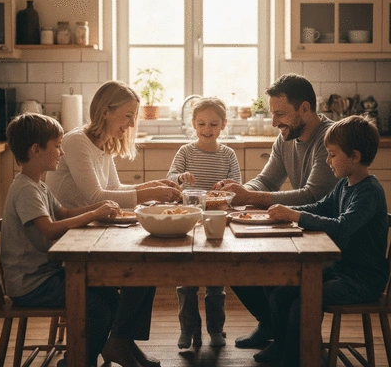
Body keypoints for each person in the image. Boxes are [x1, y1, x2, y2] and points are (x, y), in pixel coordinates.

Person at [46, 80, 183, 367]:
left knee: (148, 263)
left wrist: (153, 184)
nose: (132, 123)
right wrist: (151, 193)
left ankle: (120, 341)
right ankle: (117, 342)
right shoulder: (75, 141)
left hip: (90, 228)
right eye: (129, 115)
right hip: (67, 235)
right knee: (140, 266)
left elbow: (115, 188)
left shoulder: (102, 144)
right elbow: (96, 196)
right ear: (106, 111)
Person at [254, 115, 389, 367]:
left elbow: (342, 227)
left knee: (300, 304)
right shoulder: (344, 185)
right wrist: (283, 209)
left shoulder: (369, 191)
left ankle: (296, 360)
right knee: (280, 294)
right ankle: (282, 349)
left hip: (362, 280)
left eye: (332, 154)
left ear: (355, 156)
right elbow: (320, 207)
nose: (328, 161)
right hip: (341, 270)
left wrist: (295, 215)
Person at [219, 73, 340, 349]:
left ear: (305, 109)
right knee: (233, 261)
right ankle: (270, 324)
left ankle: (287, 341)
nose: (274, 122)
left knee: (269, 266)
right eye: (273, 114)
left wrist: (250, 196)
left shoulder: (331, 138)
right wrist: (235, 191)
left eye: (280, 114)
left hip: (326, 234)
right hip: (301, 227)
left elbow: (313, 195)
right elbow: (267, 180)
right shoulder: (285, 138)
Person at [1, 113, 122, 367]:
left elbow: (64, 214)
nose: (62, 153)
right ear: (36, 150)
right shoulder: (26, 189)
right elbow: (51, 230)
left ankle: (81, 358)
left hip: (44, 276)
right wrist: (93, 214)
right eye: (57, 146)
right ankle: (77, 362)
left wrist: (98, 206)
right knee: (97, 310)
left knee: (111, 295)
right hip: (31, 285)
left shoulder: (39, 185)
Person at [166, 97, 241, 349]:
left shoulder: (228, 154)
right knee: (186, 279)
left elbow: (236, 186)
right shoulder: (186, 151)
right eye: (201, 124)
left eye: (213, 124)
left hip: (217, 219)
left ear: (223, 125)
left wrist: (225, 186)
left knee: (215, 280)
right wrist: (180, 177)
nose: (207, 130)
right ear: (193, 124)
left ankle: (216, 330)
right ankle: (188, 330)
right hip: (188, 220)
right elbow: (170, 178)